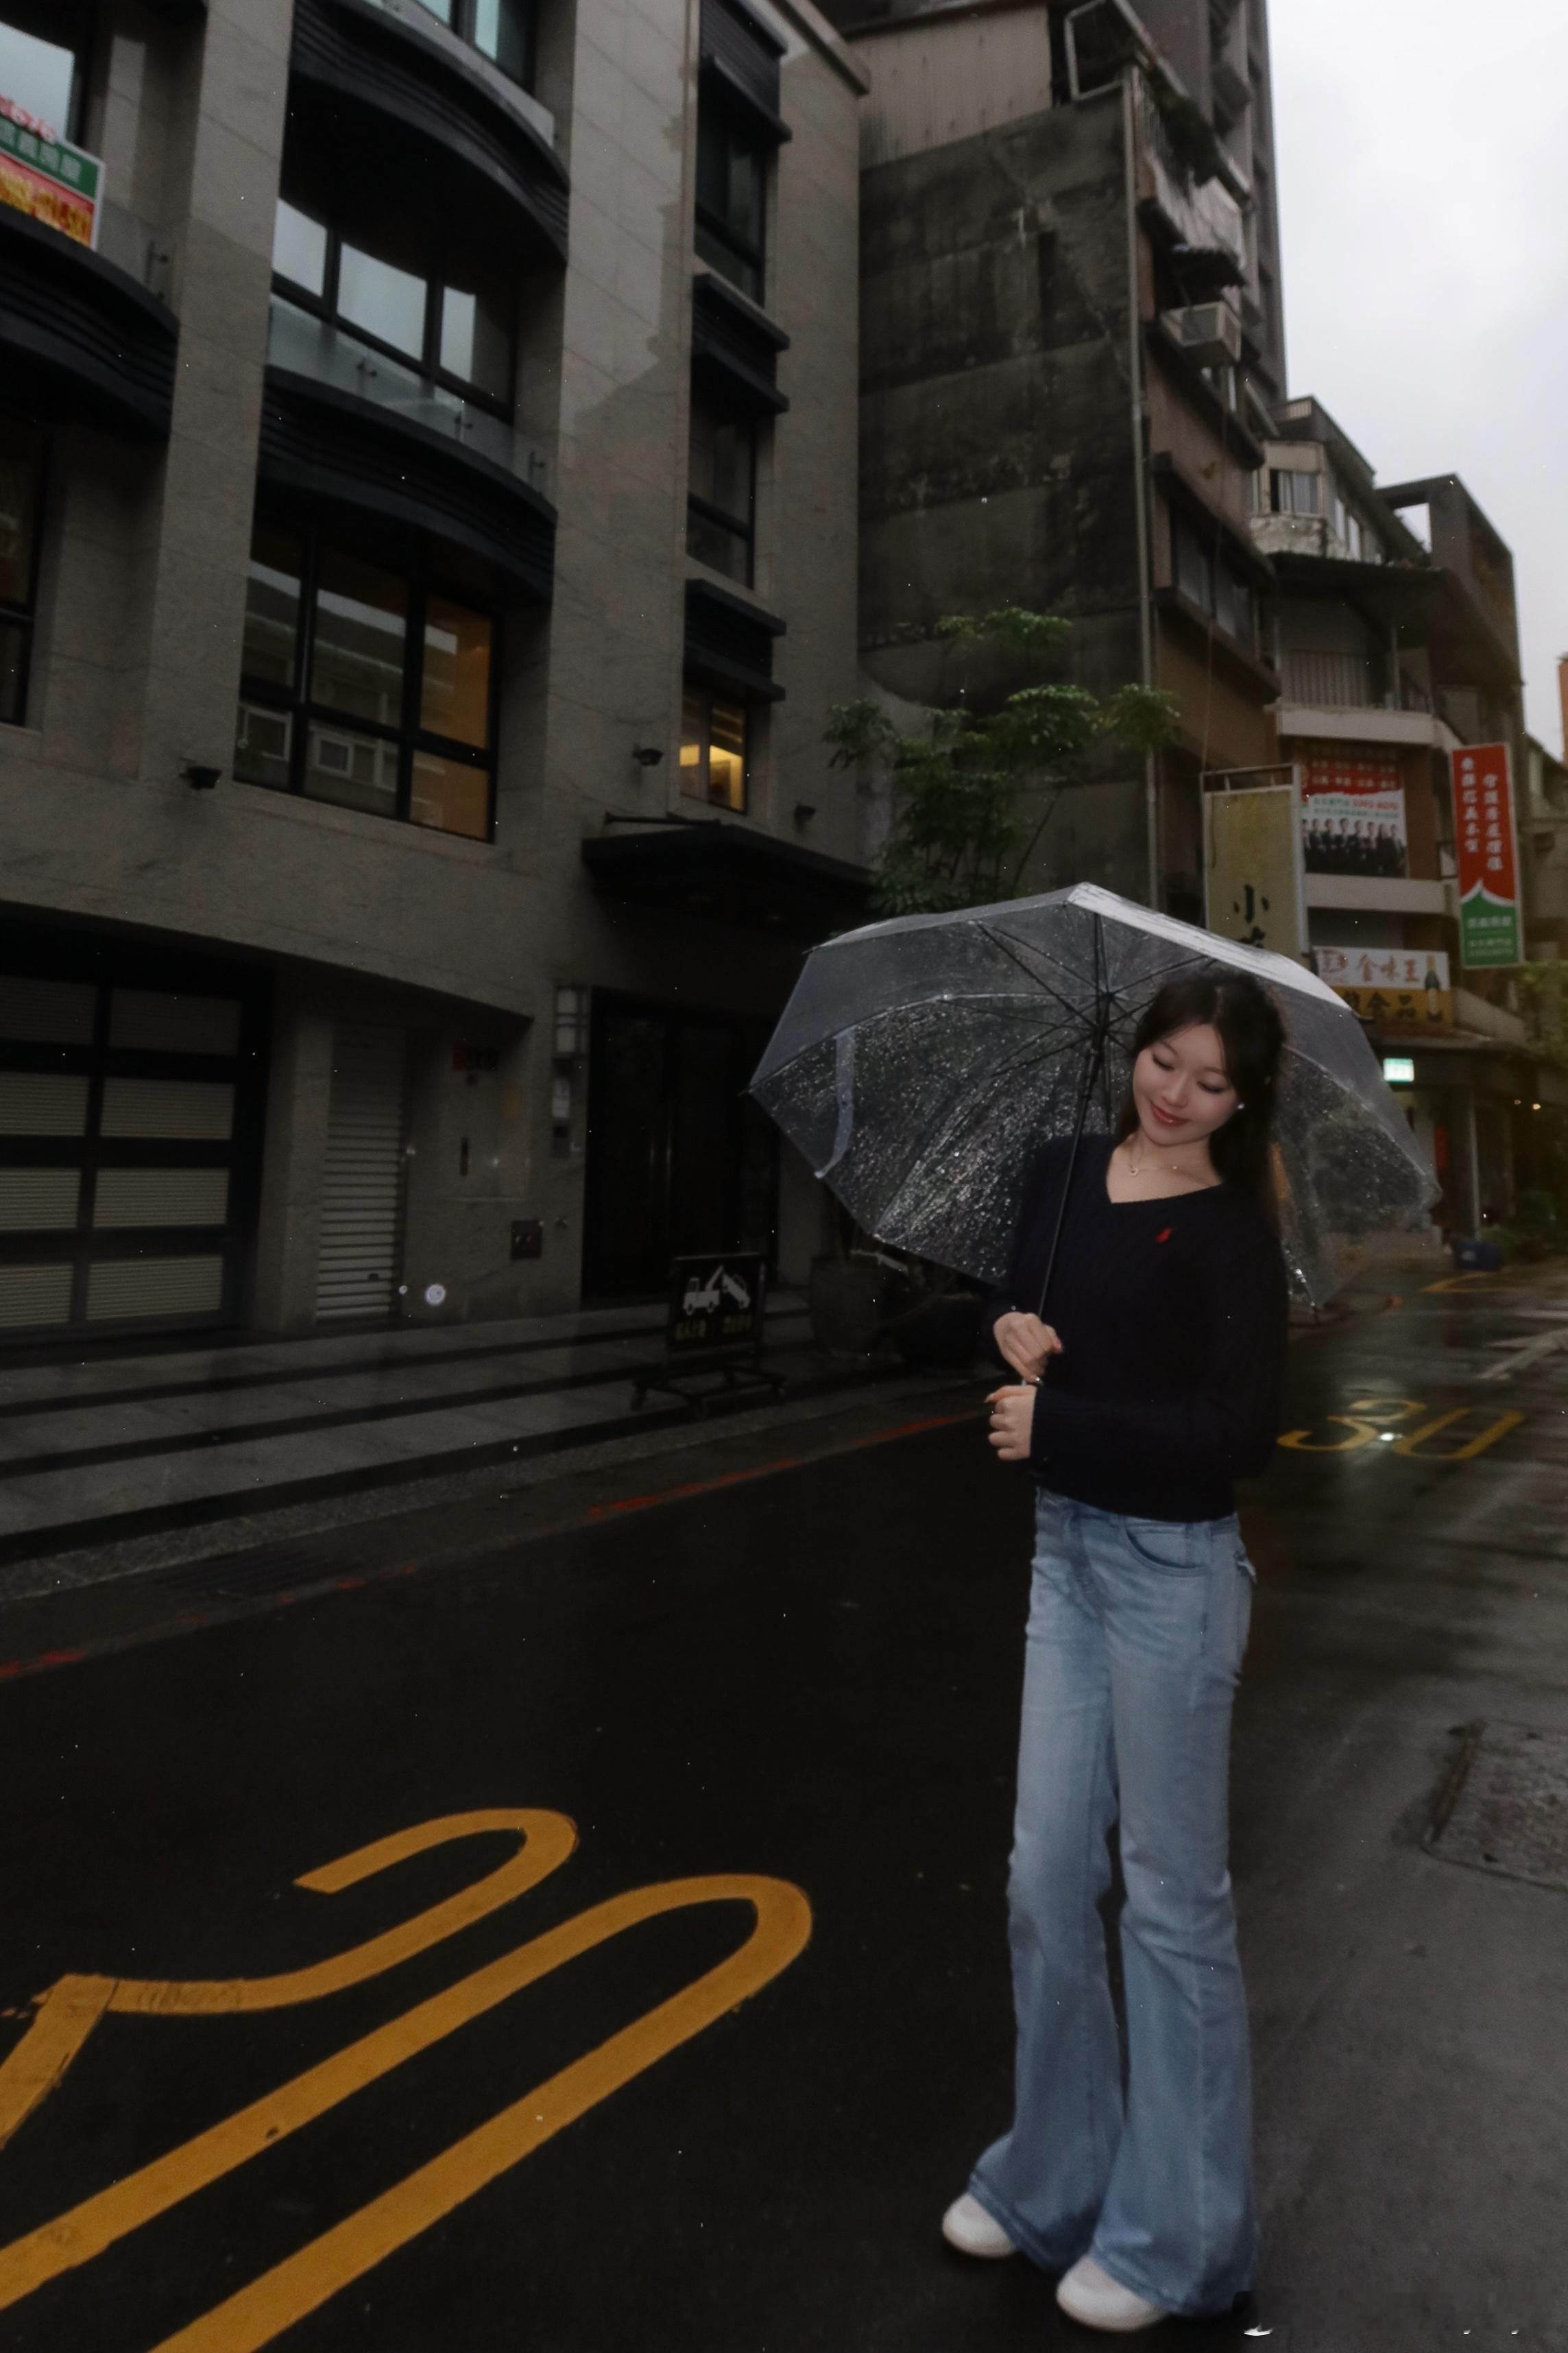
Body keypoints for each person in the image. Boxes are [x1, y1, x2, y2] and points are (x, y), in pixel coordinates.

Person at [942, 968, 1290, 2334]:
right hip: (1068, 1561)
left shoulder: (1230, 1232)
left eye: (1210, 1081)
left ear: (1240, 1100)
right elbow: (1022, 1324)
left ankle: (1180, 2238)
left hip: (1170, 1579)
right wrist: (1011, 1338)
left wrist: (1061, 1427)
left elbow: (1237, 1435)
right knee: (1040, 1876)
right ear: (1135, 1050)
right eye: (1163, 1060)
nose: (1176, 1094)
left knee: (1168, 1900)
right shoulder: (1060, 1171)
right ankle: (1053, 2180)